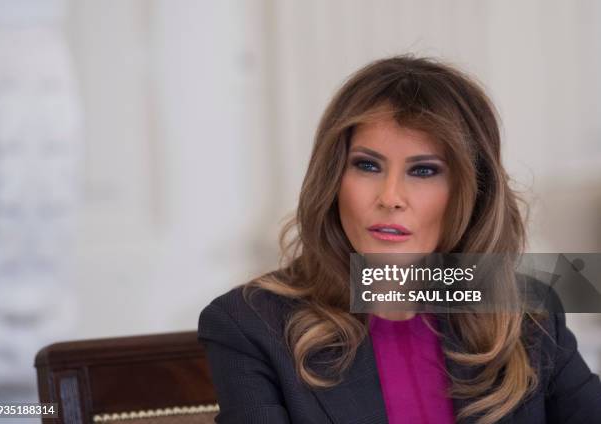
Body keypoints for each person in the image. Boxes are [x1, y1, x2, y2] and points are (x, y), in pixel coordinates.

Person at [197, 55, 601, 423]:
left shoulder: (529, 309)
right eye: (367, 165)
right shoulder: (248, 324)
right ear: (334, 178)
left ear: (471, 192)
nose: (390, 197)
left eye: (423, 171)